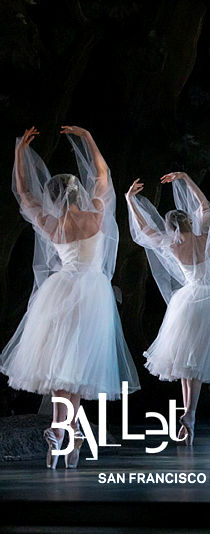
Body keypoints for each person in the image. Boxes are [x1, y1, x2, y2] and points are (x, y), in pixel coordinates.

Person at [1, 126, 140, 468]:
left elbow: (23, 193)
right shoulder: (95, 215)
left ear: (54, 196)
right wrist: (89, 138)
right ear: (77, 193)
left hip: (61, 290)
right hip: (92, 293)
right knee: (73, 370)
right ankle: (67, 434)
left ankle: (62, 433)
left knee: (65, 368)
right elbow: (104, 174)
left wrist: (20, 152)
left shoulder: (51, 223)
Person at [126, 171, 210, 445]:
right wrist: (186, 179)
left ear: (171, 226)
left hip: (189, 300)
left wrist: (130, 201)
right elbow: (206, 206)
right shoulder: (206, 237)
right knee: (191, 365)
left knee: (188, 365)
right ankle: (190, 415)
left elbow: (146, 232)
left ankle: (190, 414)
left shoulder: (172, 245)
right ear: (189, 221)